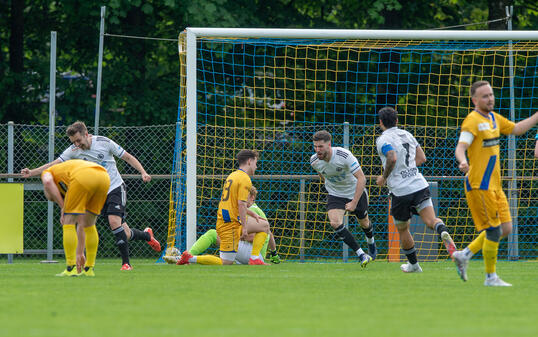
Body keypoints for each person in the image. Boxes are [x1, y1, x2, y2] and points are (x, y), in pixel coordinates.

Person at [21, 121, 161, 271]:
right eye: (73, 142)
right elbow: (54, 164)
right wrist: (32, 172)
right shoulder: (73, 150)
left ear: (86, 134)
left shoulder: (104, 142)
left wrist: (143, 172)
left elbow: (127, 157)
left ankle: (126, 264)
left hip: (114, 187)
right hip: (95, 192)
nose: (77, 144)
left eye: (79, 140)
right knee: (124, 233)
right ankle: (146, 235)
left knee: (114, 222)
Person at [453, 80, 538, 286]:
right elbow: (461, 146)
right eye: (484, 96)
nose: (489, 99)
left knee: (506, 228)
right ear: (474, 100)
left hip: (495, 186)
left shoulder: (493, 118)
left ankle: (465, 254)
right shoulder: (472, 121)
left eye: (491, 95)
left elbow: (516, 129)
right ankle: (490, 277)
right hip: (479, 185)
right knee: (493, 230)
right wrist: (463, 161)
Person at [375, 107, 457, 273]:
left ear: (381, 122)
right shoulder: (408, 135)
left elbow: (391, 156)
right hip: (419, 184)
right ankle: (442, 232)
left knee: (403, 228)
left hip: (400, 191)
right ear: (397, 121)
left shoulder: (383, 140)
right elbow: (422, 158)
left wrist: (384, 177)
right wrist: (408, 168)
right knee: (431, 221)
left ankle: (414, 265)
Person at [178, 149, 268, 266]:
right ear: (249, 161)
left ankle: (254, 258)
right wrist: (245, 227)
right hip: (231, 223)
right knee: (226, 262)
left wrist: (252, 214)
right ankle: (190, 258)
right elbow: (241, 204)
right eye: (256, 163)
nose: (256, 167)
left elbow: (235, 203)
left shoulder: (233, 175)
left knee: (263, 226)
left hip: (226, 220)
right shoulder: (245, 179)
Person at [165, 186, 281, 265]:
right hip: (248, 252)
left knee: (213, 235)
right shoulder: (246, 210)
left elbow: (253, 237)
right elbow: (269, 233)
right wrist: (274, 253)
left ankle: (186, 257)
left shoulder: (254, 210)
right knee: (218, 243)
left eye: (244, 195)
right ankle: (187, 257)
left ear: (252, 197)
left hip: (252, 253)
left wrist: (232, 235)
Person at [310, 130, 376, 267]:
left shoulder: (344, 155)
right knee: (335, 222)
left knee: (364, 222)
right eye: (315, 146)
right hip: (335, 194)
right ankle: (361, 254)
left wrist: (354, 202)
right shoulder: (314, 160)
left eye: (320, 146)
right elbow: (322, 176)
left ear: (329, 145)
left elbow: (362, 178)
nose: (317, 150)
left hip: (355, 192)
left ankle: (371, 243)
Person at [41, 159, 110, 276]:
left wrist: (63, 207)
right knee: (89, 224)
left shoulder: (47, 171)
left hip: (83, 176)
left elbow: (47, 182)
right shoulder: (65, 172)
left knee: (68, 221)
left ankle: (70, 267)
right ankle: (89, 269)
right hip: (104, 177)